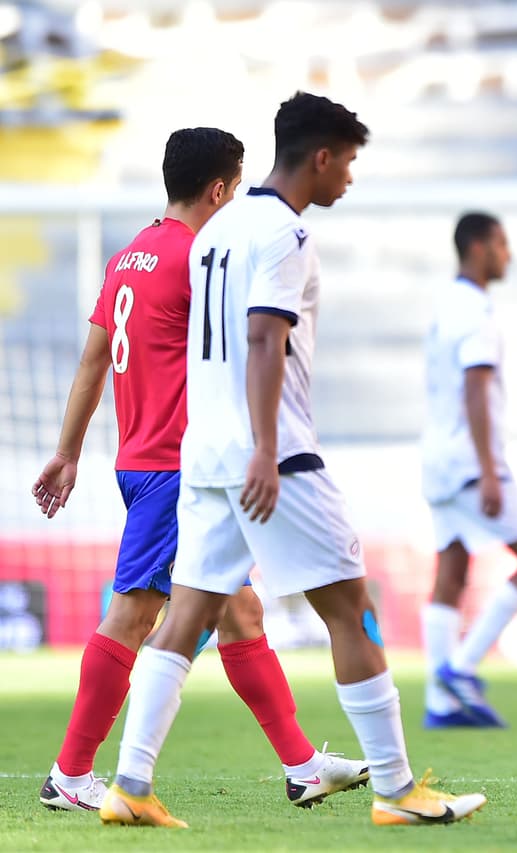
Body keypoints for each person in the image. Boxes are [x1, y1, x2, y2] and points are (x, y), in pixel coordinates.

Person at [97, 92, 485, 829]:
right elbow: (263, 337)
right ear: (321, 157)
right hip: (268, 456)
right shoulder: (285, 233)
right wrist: (270, 450)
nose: (349, 179)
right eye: (349, 163)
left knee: (185, 618)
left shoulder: (219, 227)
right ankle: (399, 789)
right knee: (353, 611)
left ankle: (130, 783)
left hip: (204, 452)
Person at [31, 126, 368, 815]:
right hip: (173, 464)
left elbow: (94, 360)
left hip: (138, 458)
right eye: (236, 189)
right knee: (133, 614)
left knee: (240, 611)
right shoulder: (197, 258)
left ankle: (302, 765)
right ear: (220, 189)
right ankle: (70, 773)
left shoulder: (129, 257)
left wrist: (67, 452)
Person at [419, 211, 517, 729]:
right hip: (469, 463)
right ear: (478, 246)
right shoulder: (473, 311)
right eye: (501, 243)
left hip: (436, 457)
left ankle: (440, 702)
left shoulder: (446, 304)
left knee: (451, 570)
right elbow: (475, 390)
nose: (507, 254)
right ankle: (461, 665)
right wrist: (489, 471)